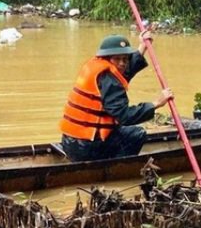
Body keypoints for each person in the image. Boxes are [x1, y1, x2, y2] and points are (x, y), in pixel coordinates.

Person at [59, 31, 173, 161]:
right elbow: (124, 116)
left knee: (120, 130)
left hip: (69, 142)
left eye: (125, 59)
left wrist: (143, 46)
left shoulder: (96, 66)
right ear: (107, 58)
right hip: (86, 147)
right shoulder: (108, 79)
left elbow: (124, 72)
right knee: (137, 134)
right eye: (117, 59)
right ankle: (117, 167)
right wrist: (156, 103)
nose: (122, 63)